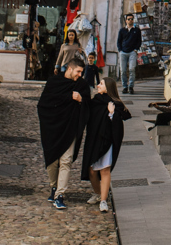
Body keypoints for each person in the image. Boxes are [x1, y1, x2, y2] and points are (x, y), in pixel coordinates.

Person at [37, 57, 90, 210]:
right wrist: (67, 97)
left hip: (70, 128)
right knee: (53, 161)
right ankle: (54, 187)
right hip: (53, 127)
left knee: (66, 160)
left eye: (82, 72)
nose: (80, 75)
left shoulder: (82, 85)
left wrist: (81, 100)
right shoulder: (54, 82)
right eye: (78, 72)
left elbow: (88, 105)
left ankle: (60, 195)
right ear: (69, 69)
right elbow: (43, 104)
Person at [82, 78, 132, 213]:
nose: (98, 85)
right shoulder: (96, 101)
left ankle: (103, 201)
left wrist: (112, 113)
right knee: (91, 171)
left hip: (107, 141)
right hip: (94, 140)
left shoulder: (115, 104)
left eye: (101, 84)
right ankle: (99, 193)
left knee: (104, 170)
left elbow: (119, 125)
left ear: (108, 87)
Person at [116, 13, 142, 94]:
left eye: (131, 19)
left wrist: (136, 49)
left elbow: (139, 41)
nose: (130, 20)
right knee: (123, 70)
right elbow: (119, 41)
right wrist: (120, 50)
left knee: (131, 69)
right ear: (126, 20)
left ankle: (131, 86)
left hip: (132, 52)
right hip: (123, 52)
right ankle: (124, 86)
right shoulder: (122, 30)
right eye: (129, 19)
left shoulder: (137, 30)